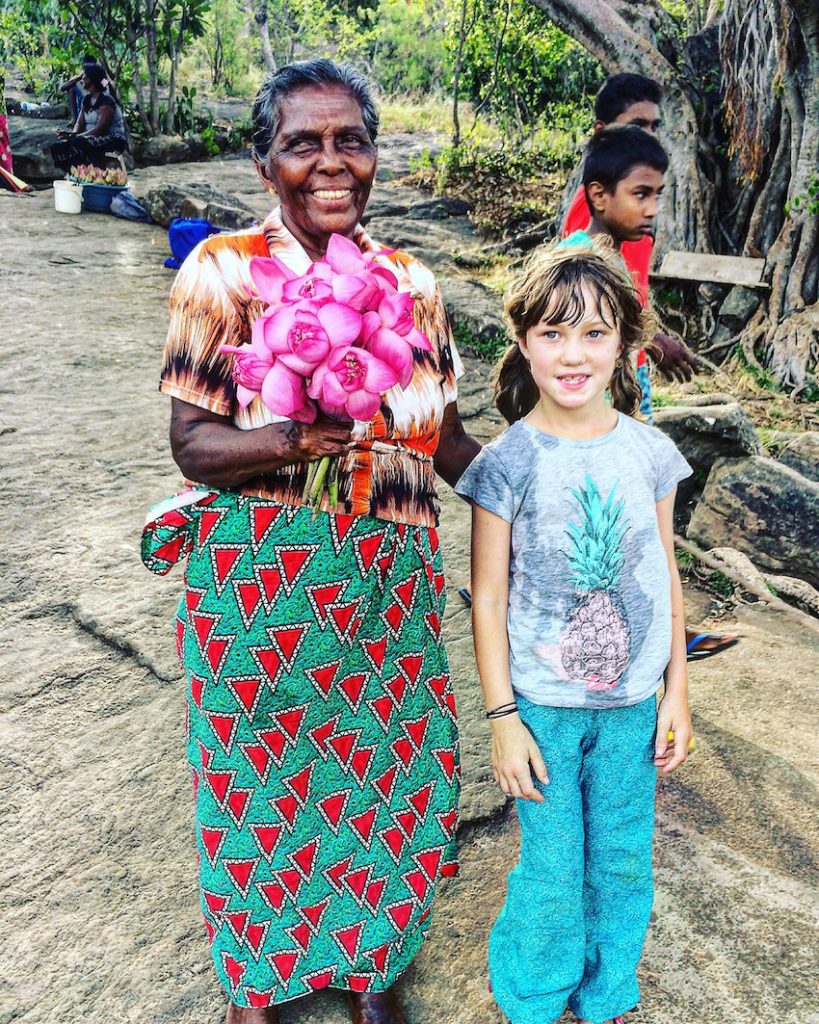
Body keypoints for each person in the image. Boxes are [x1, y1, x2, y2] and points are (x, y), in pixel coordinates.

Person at [140, 58, 479, 1024]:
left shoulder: (411, 282)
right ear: (265, 164)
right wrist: (290, 438)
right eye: (302, 143)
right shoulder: (223, 271)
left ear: (374, 157)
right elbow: (194, 444)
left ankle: (370, 966)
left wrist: (543, 485)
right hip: (261, 579)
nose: (331, 164)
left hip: (387, 576)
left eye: (350, 141)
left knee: (388, 769)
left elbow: (444, 437)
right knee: (256, 777)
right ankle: (262, 980)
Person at [456, 237, 693, 1024]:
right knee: (553, 869)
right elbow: (486, 597)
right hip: (544, 712)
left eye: (593, 333)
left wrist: (676, 695)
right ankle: (532, 996)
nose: (572, 353)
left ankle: (606, 995)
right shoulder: (506, 462)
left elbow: (664, 573)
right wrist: (501, 721)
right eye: (552, 332)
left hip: (630, 710)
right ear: (522, 342)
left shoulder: (651, 452)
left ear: (624, 345)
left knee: (622, 862)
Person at [579, 123, 739, 660]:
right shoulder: (581, 264)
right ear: (599, 196)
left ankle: (657, 634)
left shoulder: (615, 257)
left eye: (657, 196)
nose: (652, 209)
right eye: (640, 194)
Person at [562, 72, 698, 384]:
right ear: (601, 132)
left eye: (655, 126)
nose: (650, 135)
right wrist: (654, 340)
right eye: (637, 125)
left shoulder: (633, 212)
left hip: (628, 361)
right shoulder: (594, 207)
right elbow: (582, 301)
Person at [51, 62, 126, 174]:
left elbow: (101, 129)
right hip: (92, 137)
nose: (82, 78)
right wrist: (72, 134)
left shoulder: (106, 100)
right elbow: (79, 123)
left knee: (79, 142)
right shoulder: (87, 99)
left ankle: (90, 173)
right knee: (57, 147)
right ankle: (78, 173)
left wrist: (76, 136)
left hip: (112, 139)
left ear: (92, 79)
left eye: (84, 76)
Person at [57, 55, 97, 125]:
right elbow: (61, 88)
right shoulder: (79, 78)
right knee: (71, 88)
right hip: (83, 104)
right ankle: (74, 118)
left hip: (96, 103)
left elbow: (106, 86)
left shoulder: (100, 77)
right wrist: (79, 78)